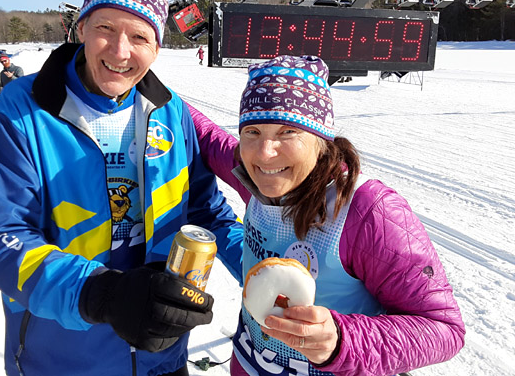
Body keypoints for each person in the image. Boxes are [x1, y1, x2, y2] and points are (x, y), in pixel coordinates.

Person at [0, 0, 243, 376]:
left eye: (139, 37)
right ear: (81, 28)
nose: (119, 50)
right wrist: (101, 294)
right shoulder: (21, 110)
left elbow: (205, 211)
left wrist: (257, 264)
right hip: (63, 357)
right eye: (105, 28)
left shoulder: (171, 112)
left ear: (157, 46)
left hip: (160, 353)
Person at [188, 55, 465, 376]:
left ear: (319, 139)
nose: (265, 152)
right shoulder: (255, 173)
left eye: (287, 131)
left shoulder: (366, 210)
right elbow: (207, 137)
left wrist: (342, 341)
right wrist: (139, 79)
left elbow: (443, 328)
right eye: (252, 131)